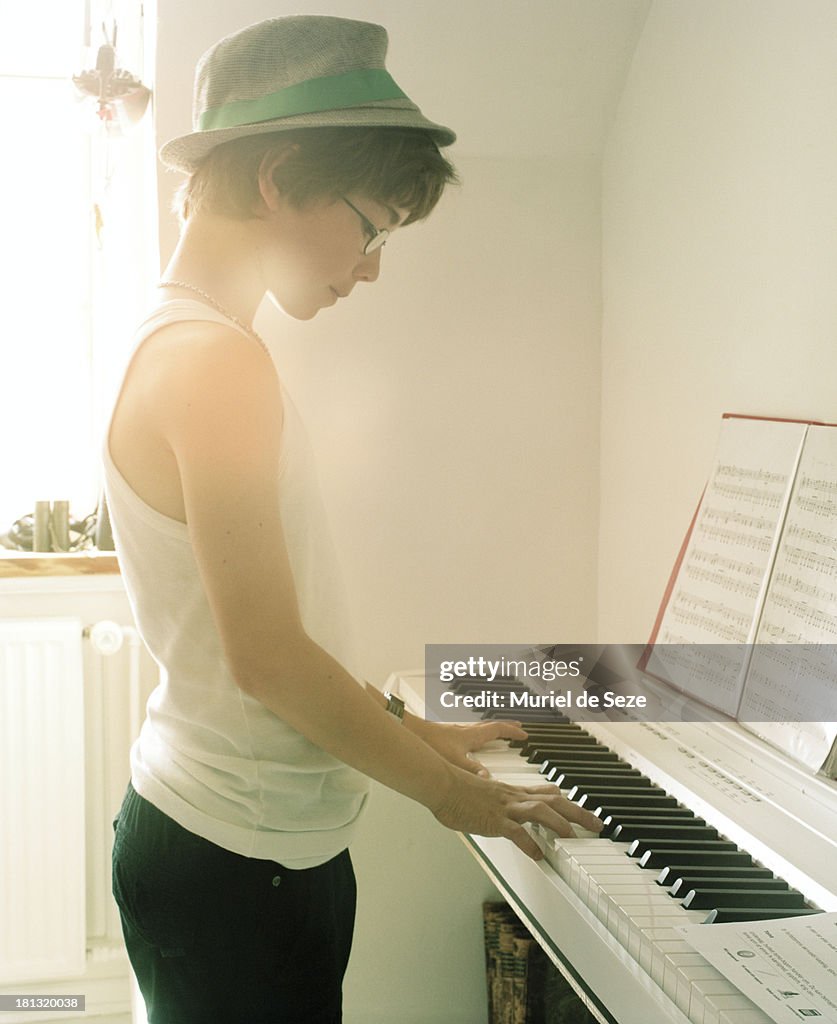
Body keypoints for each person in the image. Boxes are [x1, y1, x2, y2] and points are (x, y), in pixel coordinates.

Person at [105, 15, 602, 1024]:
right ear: (283, 176)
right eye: (371, 225)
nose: (371, 266)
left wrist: (414, 730)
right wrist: (450, 794)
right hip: (239, 863)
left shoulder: (188, 340)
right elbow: (269, 659)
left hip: (231, 843)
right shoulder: (214, 363)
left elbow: (265, 640)